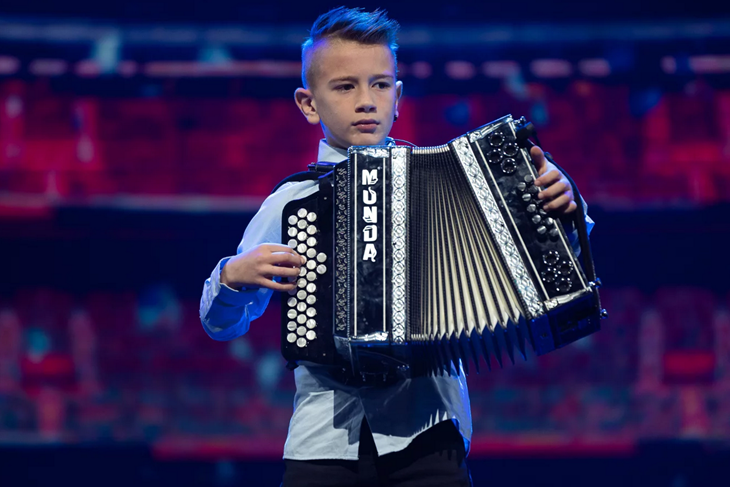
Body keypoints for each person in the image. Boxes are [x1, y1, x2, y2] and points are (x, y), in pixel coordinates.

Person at [200, 7, 591, 487]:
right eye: (345, 87)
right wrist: (229, 279)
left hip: (431, 433)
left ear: (398, 96)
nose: (366, 101)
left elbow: (553, 255)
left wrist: (565, 207)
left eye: (380, 85)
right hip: (323, 440)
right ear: (308, 103)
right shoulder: (291, 201)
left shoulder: (455, 180)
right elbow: (220, 324)